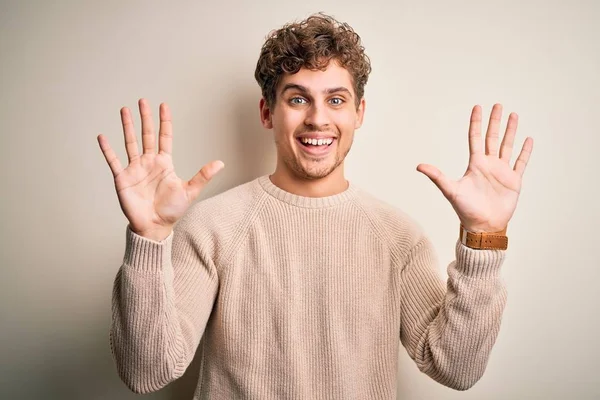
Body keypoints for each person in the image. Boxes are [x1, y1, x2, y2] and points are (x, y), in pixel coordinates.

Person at [97, 13, 533, 399]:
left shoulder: (399, 236)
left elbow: (456, 369)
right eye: (298, 98)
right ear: (268, 113)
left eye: (336, 99)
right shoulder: (211, 226)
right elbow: (146, 372)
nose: (318, 119)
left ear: (358, 113)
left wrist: (483, 238)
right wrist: (149, 238)